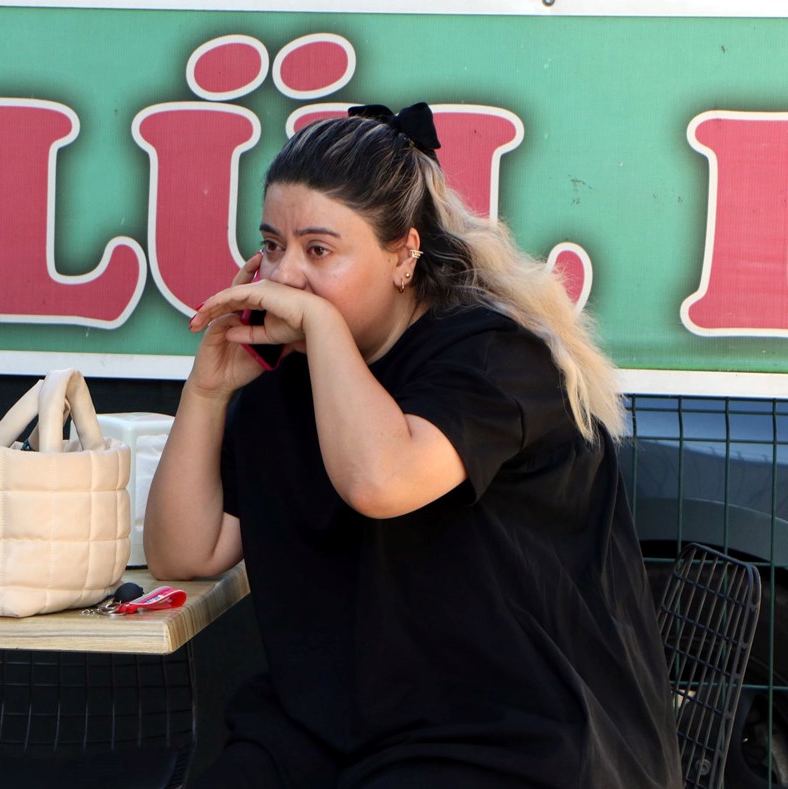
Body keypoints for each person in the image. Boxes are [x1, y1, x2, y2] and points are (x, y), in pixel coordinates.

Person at [144, 102, 682, 788]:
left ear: (404, 253)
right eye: (272, 245)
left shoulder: (493, 357)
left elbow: (382, 479)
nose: (283, 277)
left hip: (504, 736)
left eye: (319, 250)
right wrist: (209, 392)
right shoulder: (286, 381)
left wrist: (321, 328)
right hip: (329, 735)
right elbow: (184, 551)